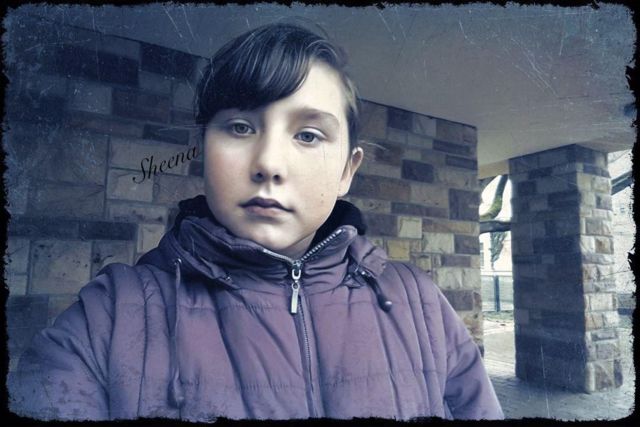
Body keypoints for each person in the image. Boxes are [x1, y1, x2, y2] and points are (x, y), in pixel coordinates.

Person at [10, 22, 503, 421]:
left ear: (347, 171)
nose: (268, 163)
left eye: (308, 135)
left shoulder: (420, 305)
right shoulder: (111, 316)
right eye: (240, 127)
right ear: (203, 151)